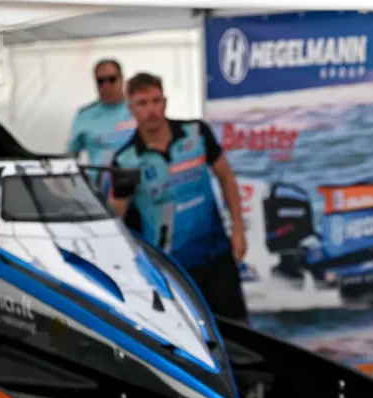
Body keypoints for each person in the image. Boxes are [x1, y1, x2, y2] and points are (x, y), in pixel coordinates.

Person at [109, 72, 249, 323]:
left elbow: (226, 176)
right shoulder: (126, 161)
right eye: (142, 103)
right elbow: (115, 220)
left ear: (165, 102)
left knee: (237, 332)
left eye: (156, 101)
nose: (150, 110)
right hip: (170, 271)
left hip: (216, 257)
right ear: (131, 109)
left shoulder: (196, 132)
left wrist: (238, 230)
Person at [68, 59, 135, 189]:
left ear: (122, 79)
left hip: (139, 186)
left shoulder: (138, 108)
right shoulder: (85, 116)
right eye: (101, 81)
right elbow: (70, 156)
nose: (106, 85)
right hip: (101, 188)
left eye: (112, 79)